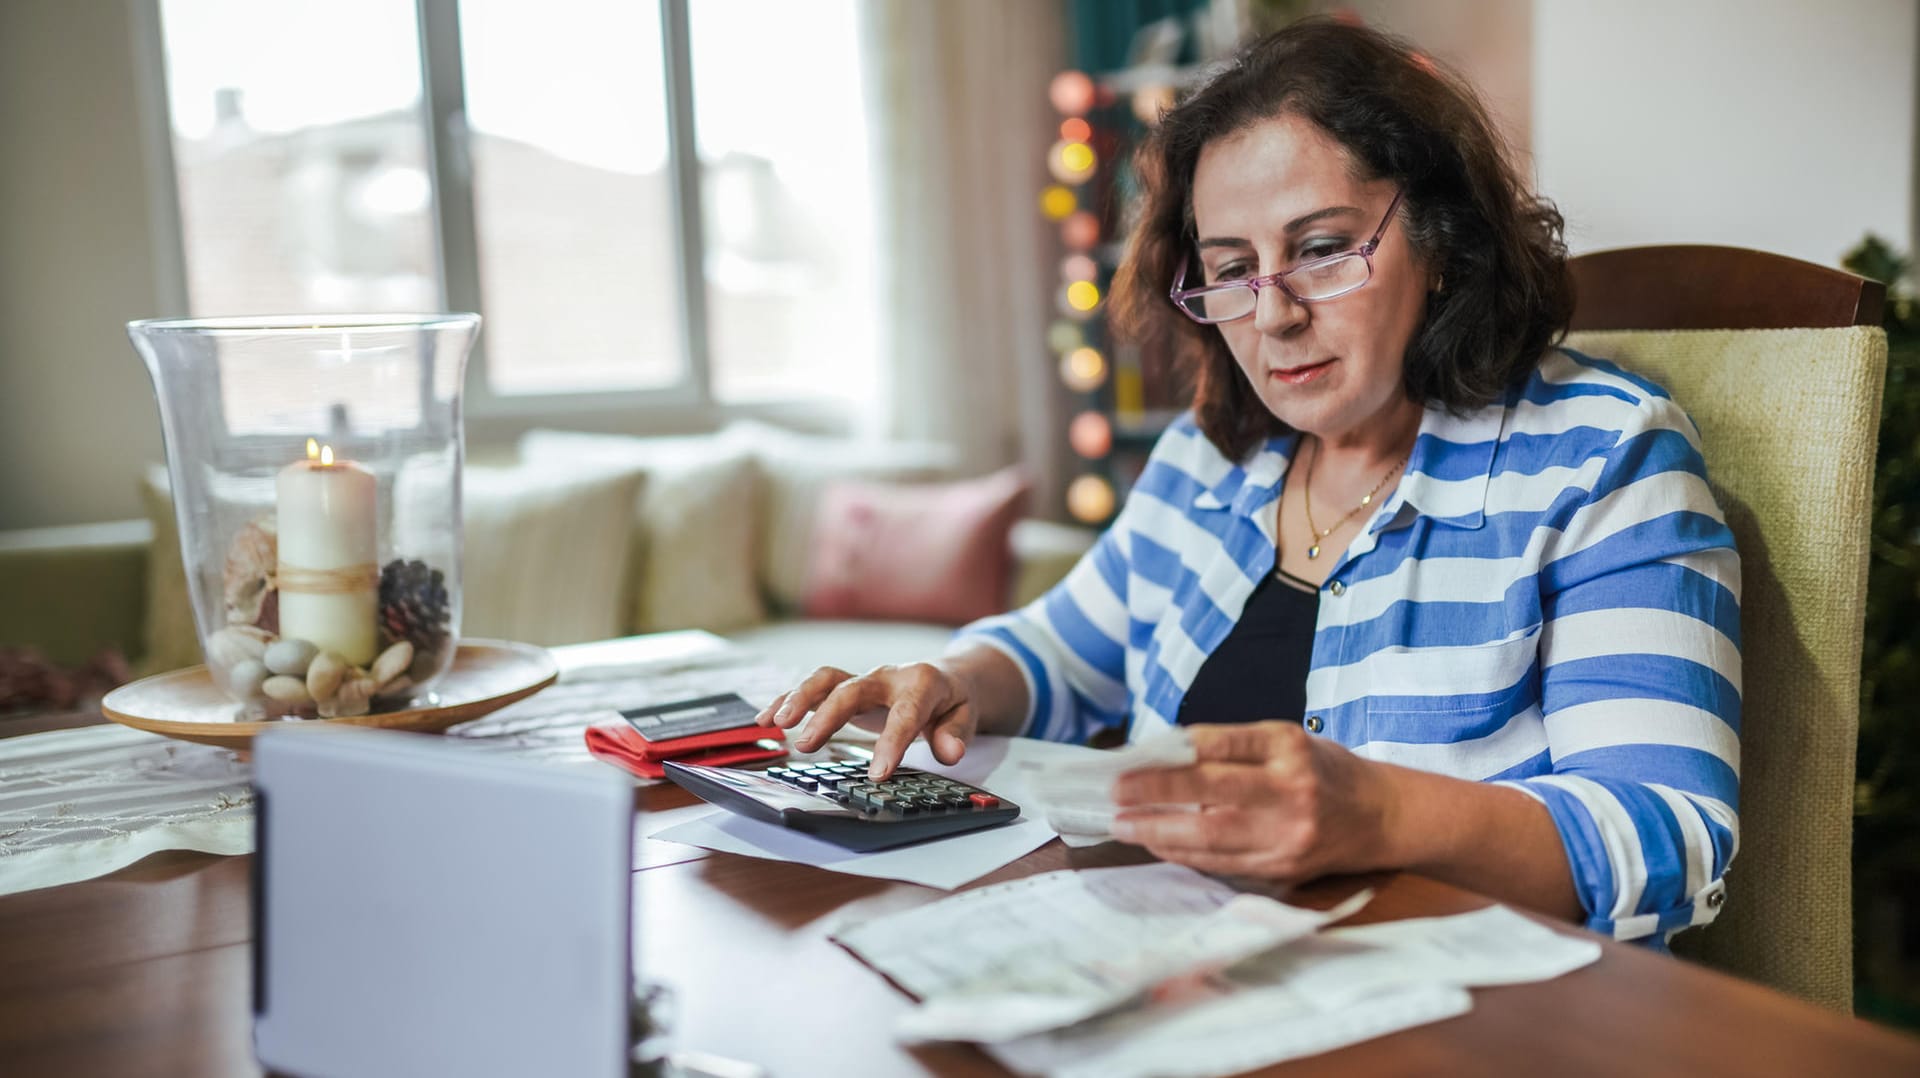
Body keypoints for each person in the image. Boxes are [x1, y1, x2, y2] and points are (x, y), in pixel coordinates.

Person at [755, 18, 1739, 945]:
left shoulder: (1604, 457)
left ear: (1441, 241)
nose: (1273, 315)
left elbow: (1669, 831)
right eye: (1232, 267)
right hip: (1186, 967)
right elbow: (1065, 648)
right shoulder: (1212, 454)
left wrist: (1381, 810)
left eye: (1319, 249)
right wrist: (952, 680)